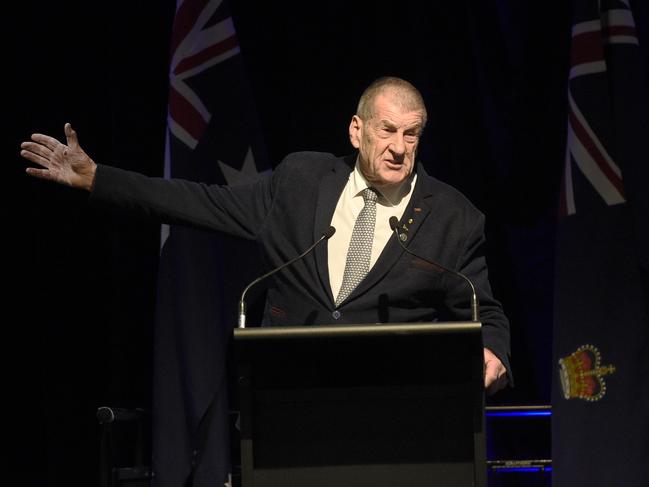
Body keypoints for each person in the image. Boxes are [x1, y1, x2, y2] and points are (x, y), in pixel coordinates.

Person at [20, 76, 510, 393]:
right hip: (286, 402)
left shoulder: (453, 216)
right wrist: (98, 178)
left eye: (412, 134)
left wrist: (493, 353)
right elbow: (203, 202)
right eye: (387, 131)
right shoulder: (299, 182)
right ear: (356, 130)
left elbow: (483, 309)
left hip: (394, 412)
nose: (400, 148)